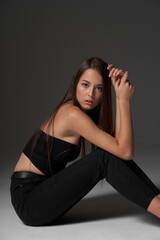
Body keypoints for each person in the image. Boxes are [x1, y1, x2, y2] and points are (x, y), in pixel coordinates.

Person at [10, 57, 160, 226]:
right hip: (29, 201)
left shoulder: (84, 113)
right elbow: (126, 151)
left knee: (107, 154)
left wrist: (118, 95)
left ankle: (157, 198)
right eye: (85, 85)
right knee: (102, 158)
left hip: (43, 192)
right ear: (75, 84)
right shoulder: (72, 114)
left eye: (99, 88)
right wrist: (123, 100)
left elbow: (118, 148)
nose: (91, 94)